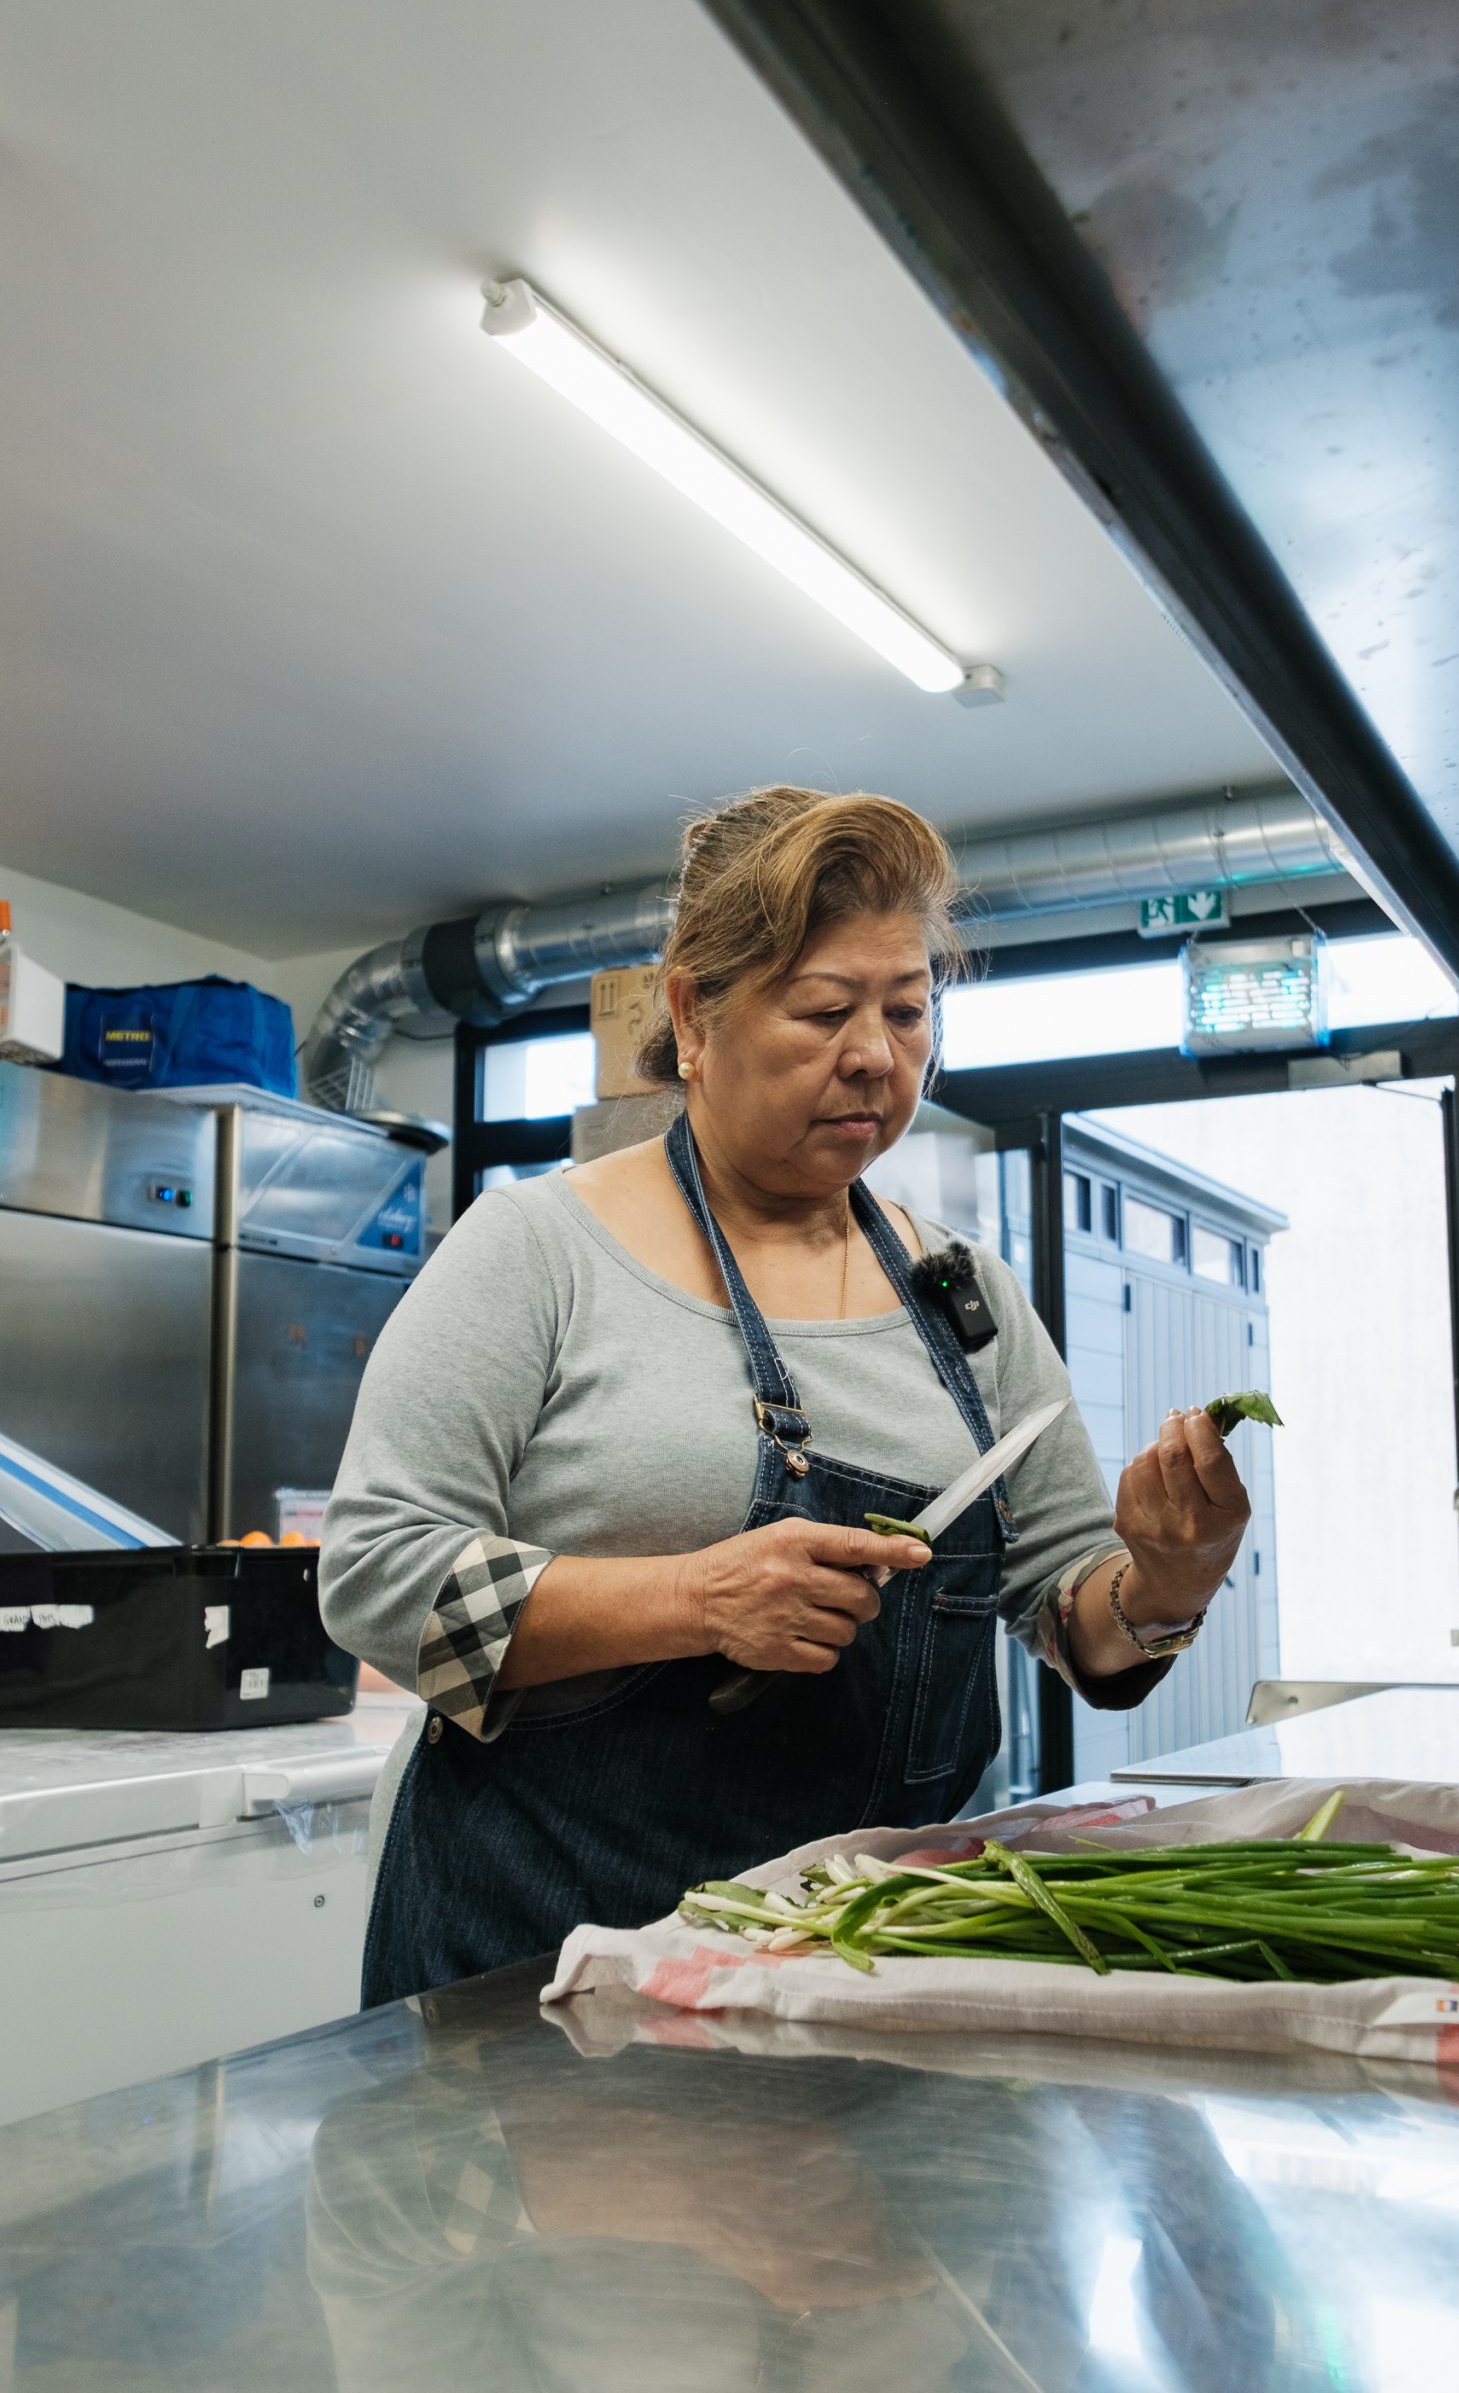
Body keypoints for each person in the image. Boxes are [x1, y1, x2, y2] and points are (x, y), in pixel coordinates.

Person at [321, 787, 1250, 2003]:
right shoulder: (538, 1249)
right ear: (692, 1015)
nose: (875, 1053)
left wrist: (1172, 1579)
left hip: (859, 1962)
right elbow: (376, 1576)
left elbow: (1075, 1617)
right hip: (543, 1962)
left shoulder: (963, 1294)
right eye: (824, 1009)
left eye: (906, 1010)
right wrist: (694, 1599)